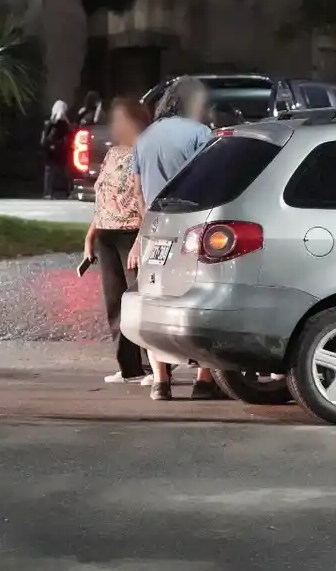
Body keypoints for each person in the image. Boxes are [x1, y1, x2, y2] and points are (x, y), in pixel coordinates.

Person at [127, 77, 220, 402]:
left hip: (155, 230)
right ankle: (204, 379)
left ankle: (160, 381)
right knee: (197, 304)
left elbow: (138, 193)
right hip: (191, 228)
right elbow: (209, 182)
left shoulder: (145, 138)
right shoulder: (200, 134)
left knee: (155, 303)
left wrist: (143, 233)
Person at [84, 97, 152, 385]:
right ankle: (129, 367)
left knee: (140, 300)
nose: (115, 126)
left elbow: (147, 197)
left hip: (133, 232)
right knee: (116, 302)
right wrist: (91, 235)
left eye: (120, 120)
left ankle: (157, 366)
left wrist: (142, 238)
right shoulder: (112, 155)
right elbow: (103, 198)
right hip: (107, 234)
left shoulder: (145, 152)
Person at [39, 100, 72, 199]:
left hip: (50, 150)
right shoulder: (64, 123)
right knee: (65, 172)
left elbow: (44, 137)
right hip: (61, 150)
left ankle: (47, 192)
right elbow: (68, 134)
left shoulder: (48, 122)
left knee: (49, 172)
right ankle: (69, 192)